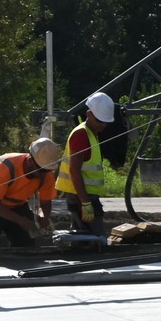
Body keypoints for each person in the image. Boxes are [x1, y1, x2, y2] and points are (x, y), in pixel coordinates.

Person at [0, 138, 60, 249]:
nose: (44, 175)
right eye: (41, 170)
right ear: (30, 160)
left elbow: (45, 203)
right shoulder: (5, 167)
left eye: (47, 171)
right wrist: (20, 220)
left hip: (16, 204)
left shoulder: (46, 174)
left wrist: (43, 217)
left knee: (27, 244)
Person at [55, 91, 118, 234]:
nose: (103, 125)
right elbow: (74, 170)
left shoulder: (92, 134)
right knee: (95, 238)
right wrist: (85, 202)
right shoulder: (81, 135)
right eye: (100, 121)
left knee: (83, 237)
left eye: (105, 122)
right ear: (89, 114)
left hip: (83, 195)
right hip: (80, 195)